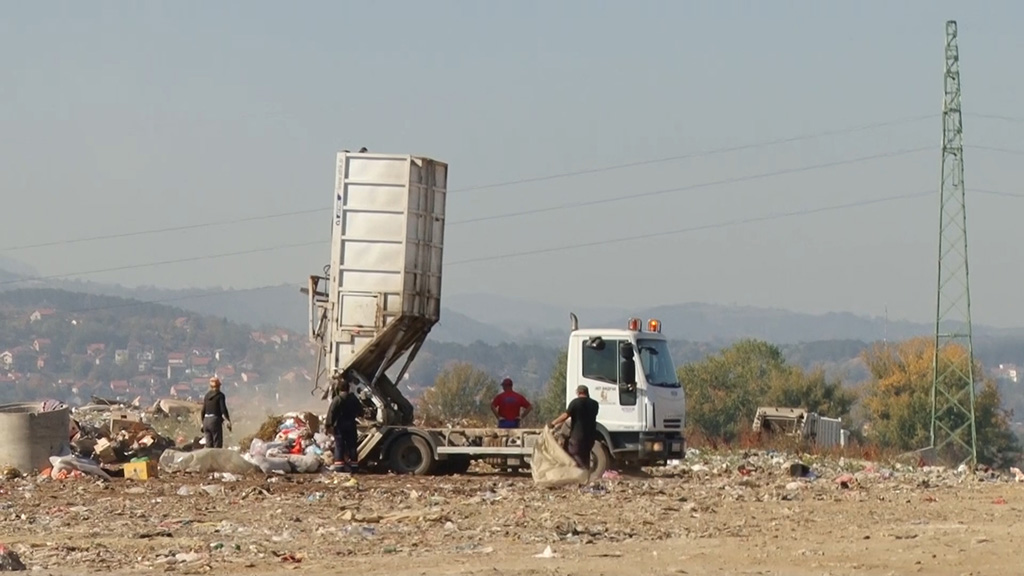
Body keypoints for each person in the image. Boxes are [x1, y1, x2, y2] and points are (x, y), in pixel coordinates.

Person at [549, 385, 600, 469]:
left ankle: (580, 473)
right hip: (590, 436)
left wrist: (553, 423)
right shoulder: (595, 404)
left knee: (574, 454)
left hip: (578, 436)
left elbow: (566, 415)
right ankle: (585, 475)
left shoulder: (575, 403)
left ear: (579, 392)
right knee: (586, 455)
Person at [326, 377, 363, 472]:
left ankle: (339, 467)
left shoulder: (337, 399)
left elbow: (331, 413)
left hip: (340, 426)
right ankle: (354, 466)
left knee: (339, 446)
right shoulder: (353, 399)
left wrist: (328, 425)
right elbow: (360, 411)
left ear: (339, 389)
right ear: (349, 388)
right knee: (352, 446)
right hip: (351, 425)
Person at [201, 377, 232, 449]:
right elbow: (223, 409)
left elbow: (203, 410)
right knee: (217, 445)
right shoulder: (220, 395)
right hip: (214, 421)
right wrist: (228, 420)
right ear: (218, 386)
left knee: (209, 446)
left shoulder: (206, 396)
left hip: (206, 421)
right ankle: (216, 460)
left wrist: (202, 423)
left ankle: (209, 460)